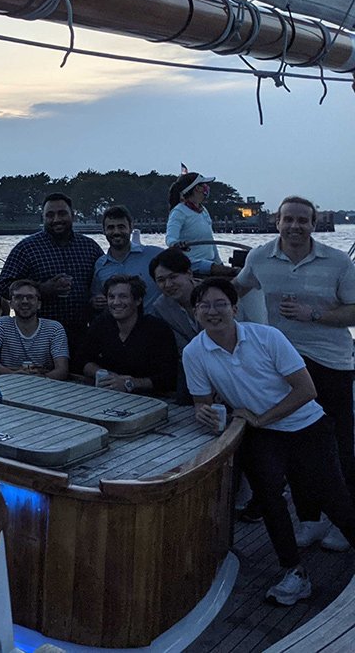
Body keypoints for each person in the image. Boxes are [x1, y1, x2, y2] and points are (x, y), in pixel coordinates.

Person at [183, 278, 355, 606]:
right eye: (203, 305)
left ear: (235, 308)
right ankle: (294, 573)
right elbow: (203, 401)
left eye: (220, 304)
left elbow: (306, 391)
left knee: (334, 499)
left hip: (306, 426)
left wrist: (261, 418)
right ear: (195, 313)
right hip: (261, 434)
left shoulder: (267, 337)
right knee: (270, 500)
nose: (212, 311)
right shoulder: (195, 352)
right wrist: (205, 413)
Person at [234, 196, 355, 551]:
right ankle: (311, 519)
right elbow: (238, 289)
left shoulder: (337, 261)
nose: (296, 226)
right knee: (297, 442)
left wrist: (312, 314)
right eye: (289, 219)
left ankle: (342, 520)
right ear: (277, 222)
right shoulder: (260, 257)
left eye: (304, 220)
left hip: (331, 361)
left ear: (314, 225)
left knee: (339, 446)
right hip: (283, 364)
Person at [0, 192, 103, 358]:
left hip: (83, 333)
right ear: (43, 218)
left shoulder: (90, 247)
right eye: (50, 215)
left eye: (62, 213)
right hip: (40, 337)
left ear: (72, 215)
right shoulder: (27, 248)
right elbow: (4, 285)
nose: (56, 220)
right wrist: (41, 289)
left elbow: (103, 284)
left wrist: (97, 298)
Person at [82, 275, 179, 395]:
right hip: (106, 394)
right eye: (111, 297)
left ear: (138, 300)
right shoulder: (101, 324)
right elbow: (84, 360)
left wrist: (130, 383)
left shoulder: (157, 329)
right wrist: (104, 374)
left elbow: (169, 375)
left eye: (123, 296)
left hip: (152, 398)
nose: (116, 302)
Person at [0, 279, 70, 380]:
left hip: (46, 385)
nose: (25, 301)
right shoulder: (1, 324)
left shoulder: (54, 328)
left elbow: (62, 370)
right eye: (18, 297)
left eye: (30, 297)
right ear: (11, 304)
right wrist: (10, 374)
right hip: (8, 383)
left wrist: (38, 379)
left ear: (39, 304)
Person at [90, 206, 163, 310]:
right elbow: (96, 295)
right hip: (118, 324)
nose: (116, 232)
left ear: (131, 228)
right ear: (104, 231)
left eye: (121, 227)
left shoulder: (155, 255)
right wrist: (96, 301)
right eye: (111, 227)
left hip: (154, 323)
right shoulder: (100, 265)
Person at [165, 172, 236, 277]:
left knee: (236, 273)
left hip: (210, 263)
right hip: (192, 264)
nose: (206, 188)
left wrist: (219, 263)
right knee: (233, 272)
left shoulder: (203, 211)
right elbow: (170, 238)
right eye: (204, 185)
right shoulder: (179, 212)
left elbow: (211, 241)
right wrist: (176, 244)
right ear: (197, 188)